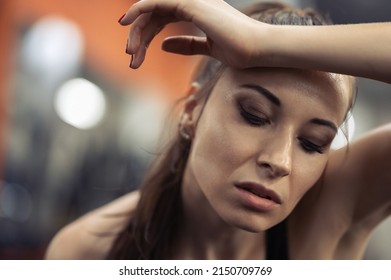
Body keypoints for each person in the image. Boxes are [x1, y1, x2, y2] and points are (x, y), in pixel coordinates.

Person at [45, 0, 391, 259]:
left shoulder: (333, 206)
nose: (280, 161)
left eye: (314, 144)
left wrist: (261, 41)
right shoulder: (88, 251)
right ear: (193, 110)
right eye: (254, 116)